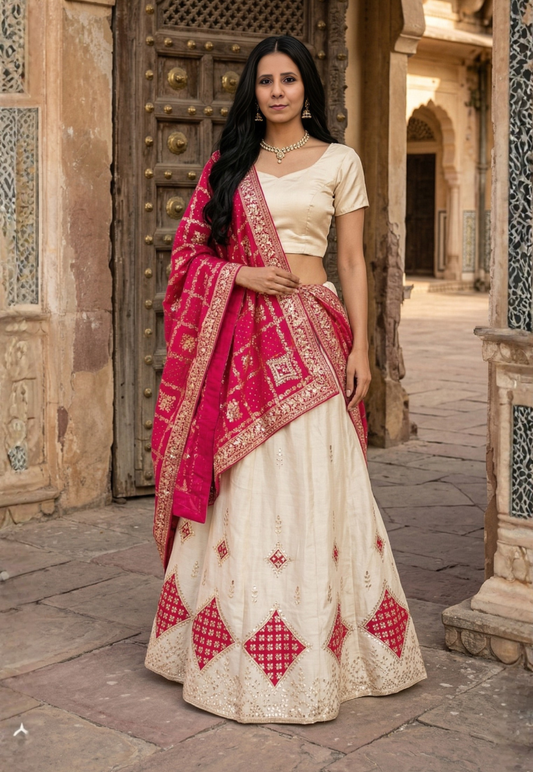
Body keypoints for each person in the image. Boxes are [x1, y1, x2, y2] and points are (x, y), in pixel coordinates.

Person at [145, 34, 427, 724]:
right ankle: (224, 644)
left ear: (307, 89)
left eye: (289, 79)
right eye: (265, 81)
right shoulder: (229, 165)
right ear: (254, 90)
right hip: (244, 342)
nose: (276, 91)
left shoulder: (340, 161)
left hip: (315, 334)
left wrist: (361, 348)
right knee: (248, 486)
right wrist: (237, 272)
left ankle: (334, 645)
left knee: (318, 481)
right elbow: (189, 257)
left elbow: (355, 260)